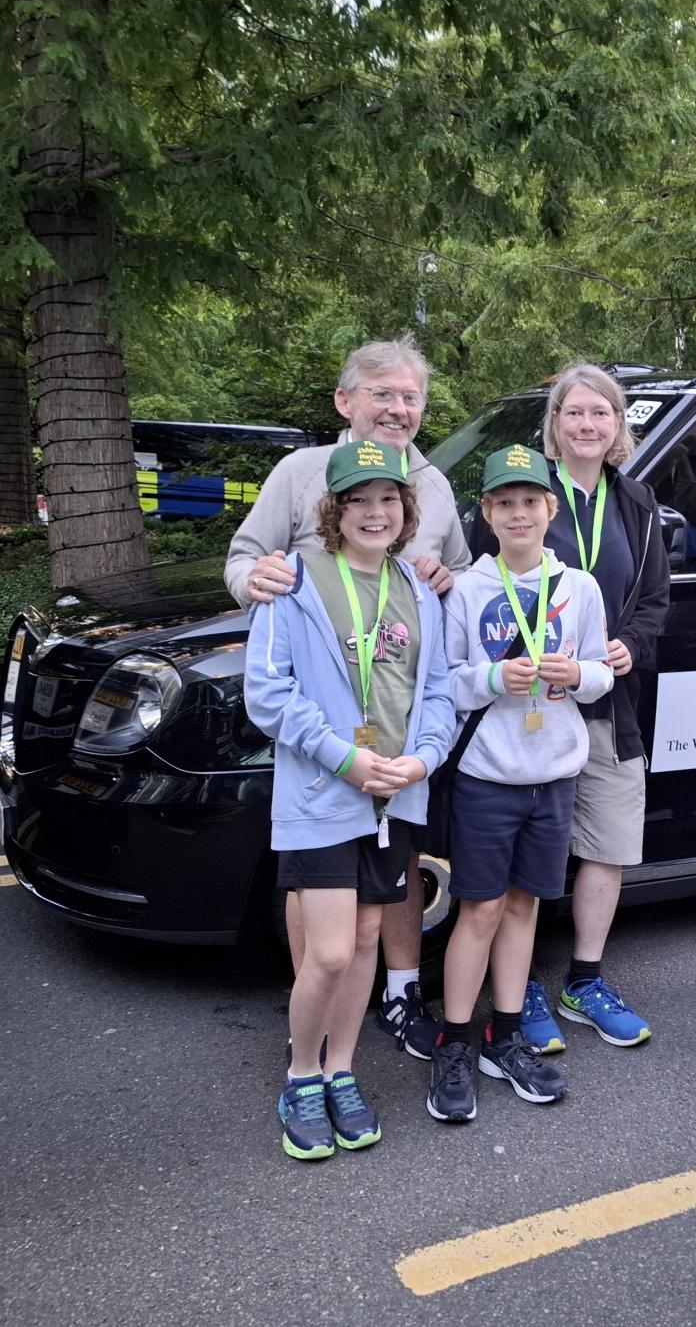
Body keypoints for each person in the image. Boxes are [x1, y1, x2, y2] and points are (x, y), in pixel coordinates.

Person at [226, 337, 470, 1059]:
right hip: (326, 738)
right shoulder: (301, 473)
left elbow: (452, 582)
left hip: (396, 742)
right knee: (328, 927)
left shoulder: (436, 484)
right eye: (383, 394)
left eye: (411, 397)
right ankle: (314, 1032)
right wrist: (258, 585)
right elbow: (246, 561)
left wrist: (447, 582)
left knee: (382, 895)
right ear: (346, 401)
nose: (399, 408)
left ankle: (387, 1005)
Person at [244, 440, 455, 1160]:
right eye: (358, 500)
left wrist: (421, 760)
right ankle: (301, 1076)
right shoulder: (293, 581)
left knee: (367, 941)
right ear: (332, 509)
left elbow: (437, 695)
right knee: (330, 954)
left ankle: (341, 1071)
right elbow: (268, 695)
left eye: (387, 499)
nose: (374, 512)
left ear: (406, 509)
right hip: (324, 795)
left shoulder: (421, 589)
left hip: (394, 798)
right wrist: (346, 759)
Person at [471, 364, 671, 1053]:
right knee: (528, 857)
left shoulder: (638, 501)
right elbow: (484, 585)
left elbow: (653, 600)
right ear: (554, 424)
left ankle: (584, 980)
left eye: (602, 414)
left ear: (619, 427)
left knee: (606, 848)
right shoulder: (525, 493)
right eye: (575, 413)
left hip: (608, 704)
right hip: (528, 710)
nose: (588, 425)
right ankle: (517, 985)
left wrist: (629, 646)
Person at [429, 445, 613, 1122]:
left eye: (529, 502)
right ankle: (455, 1040)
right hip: (489, 775)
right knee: (478, 909)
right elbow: (447, 681)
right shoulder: (470, 590)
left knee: (525, 908)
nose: (517, 514)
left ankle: (504, 1037)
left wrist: (578, 676)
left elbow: (601, 672)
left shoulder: (579, 589)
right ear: (486, 513)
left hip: (553, 774)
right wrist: (489, 680)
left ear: (550, 509)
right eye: (504, 503)